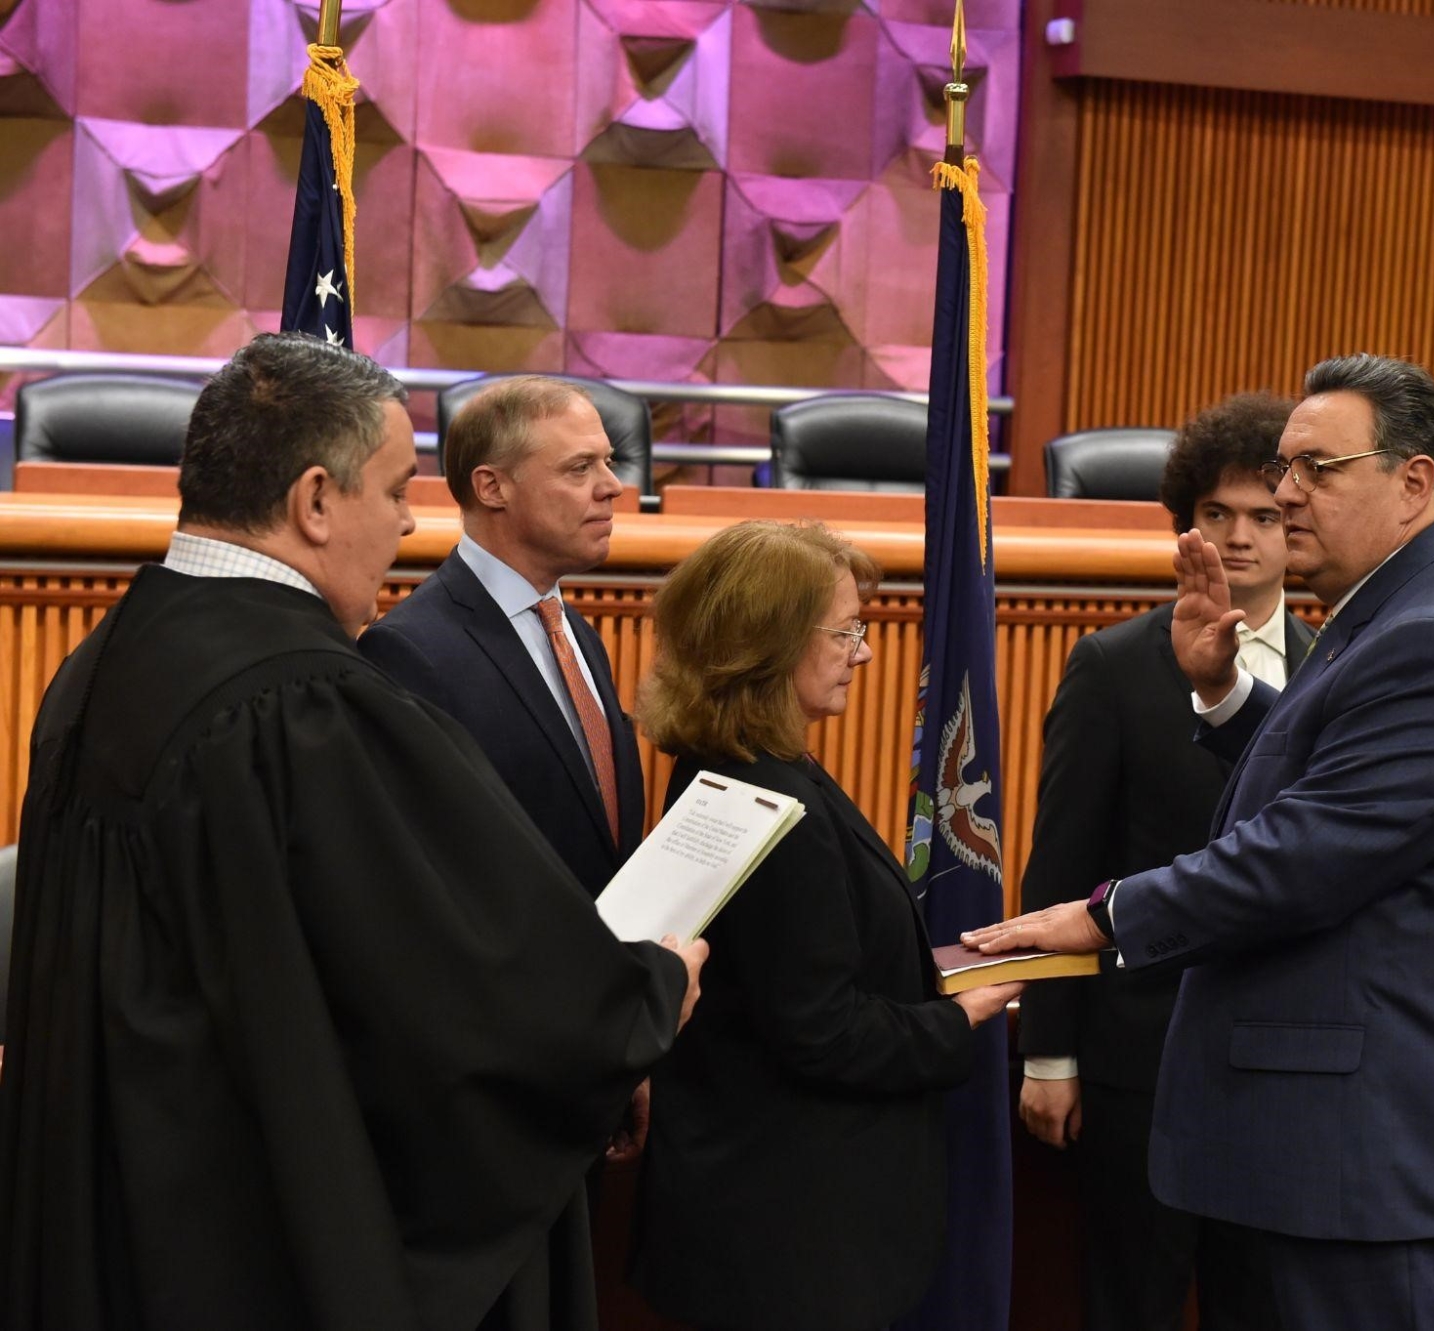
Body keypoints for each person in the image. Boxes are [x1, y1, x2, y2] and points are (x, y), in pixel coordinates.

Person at [0, 333, 704, 1331]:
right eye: (396, 490)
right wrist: (647, 989)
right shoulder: (306, 704)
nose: (409, 522)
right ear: (316, 501)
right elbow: (457, 992)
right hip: (243, 1245)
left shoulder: (102, 661)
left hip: (113, 1220)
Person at [967, 354, 1434, 1330]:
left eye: (1316, 469)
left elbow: (1306, 853)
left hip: (1394, 1155)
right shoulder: (1413, 605)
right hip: (1373, 1146)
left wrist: (1105, 914)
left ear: (1412, 482)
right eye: (1285, 467)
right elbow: (1344, 787)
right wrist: (1224, 696)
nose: (1284, 495)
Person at [626, 520, 1020, 1331]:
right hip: (791, 1241)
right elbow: (821, 1030)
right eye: (845, 632)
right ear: (767, 644)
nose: (864, 653)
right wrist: (957, 1018)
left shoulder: (728, 766)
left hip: (756, 1216)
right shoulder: (776, 804)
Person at [1015, 391, 1312, 1331]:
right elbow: (1060, 867)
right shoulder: (1111, 665)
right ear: (1186, 523)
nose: (1239, 537)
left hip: (1284, 1068)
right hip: (1141, 1061)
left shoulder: (1340, 666)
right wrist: (1049, 1053)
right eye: (1216, 513)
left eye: (1263, 515)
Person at [360, 376, 643, 900]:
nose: (612, 486)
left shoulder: (578, 633)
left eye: (607, 462)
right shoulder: (408, 652)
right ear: (492, 487)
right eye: (580, 467)